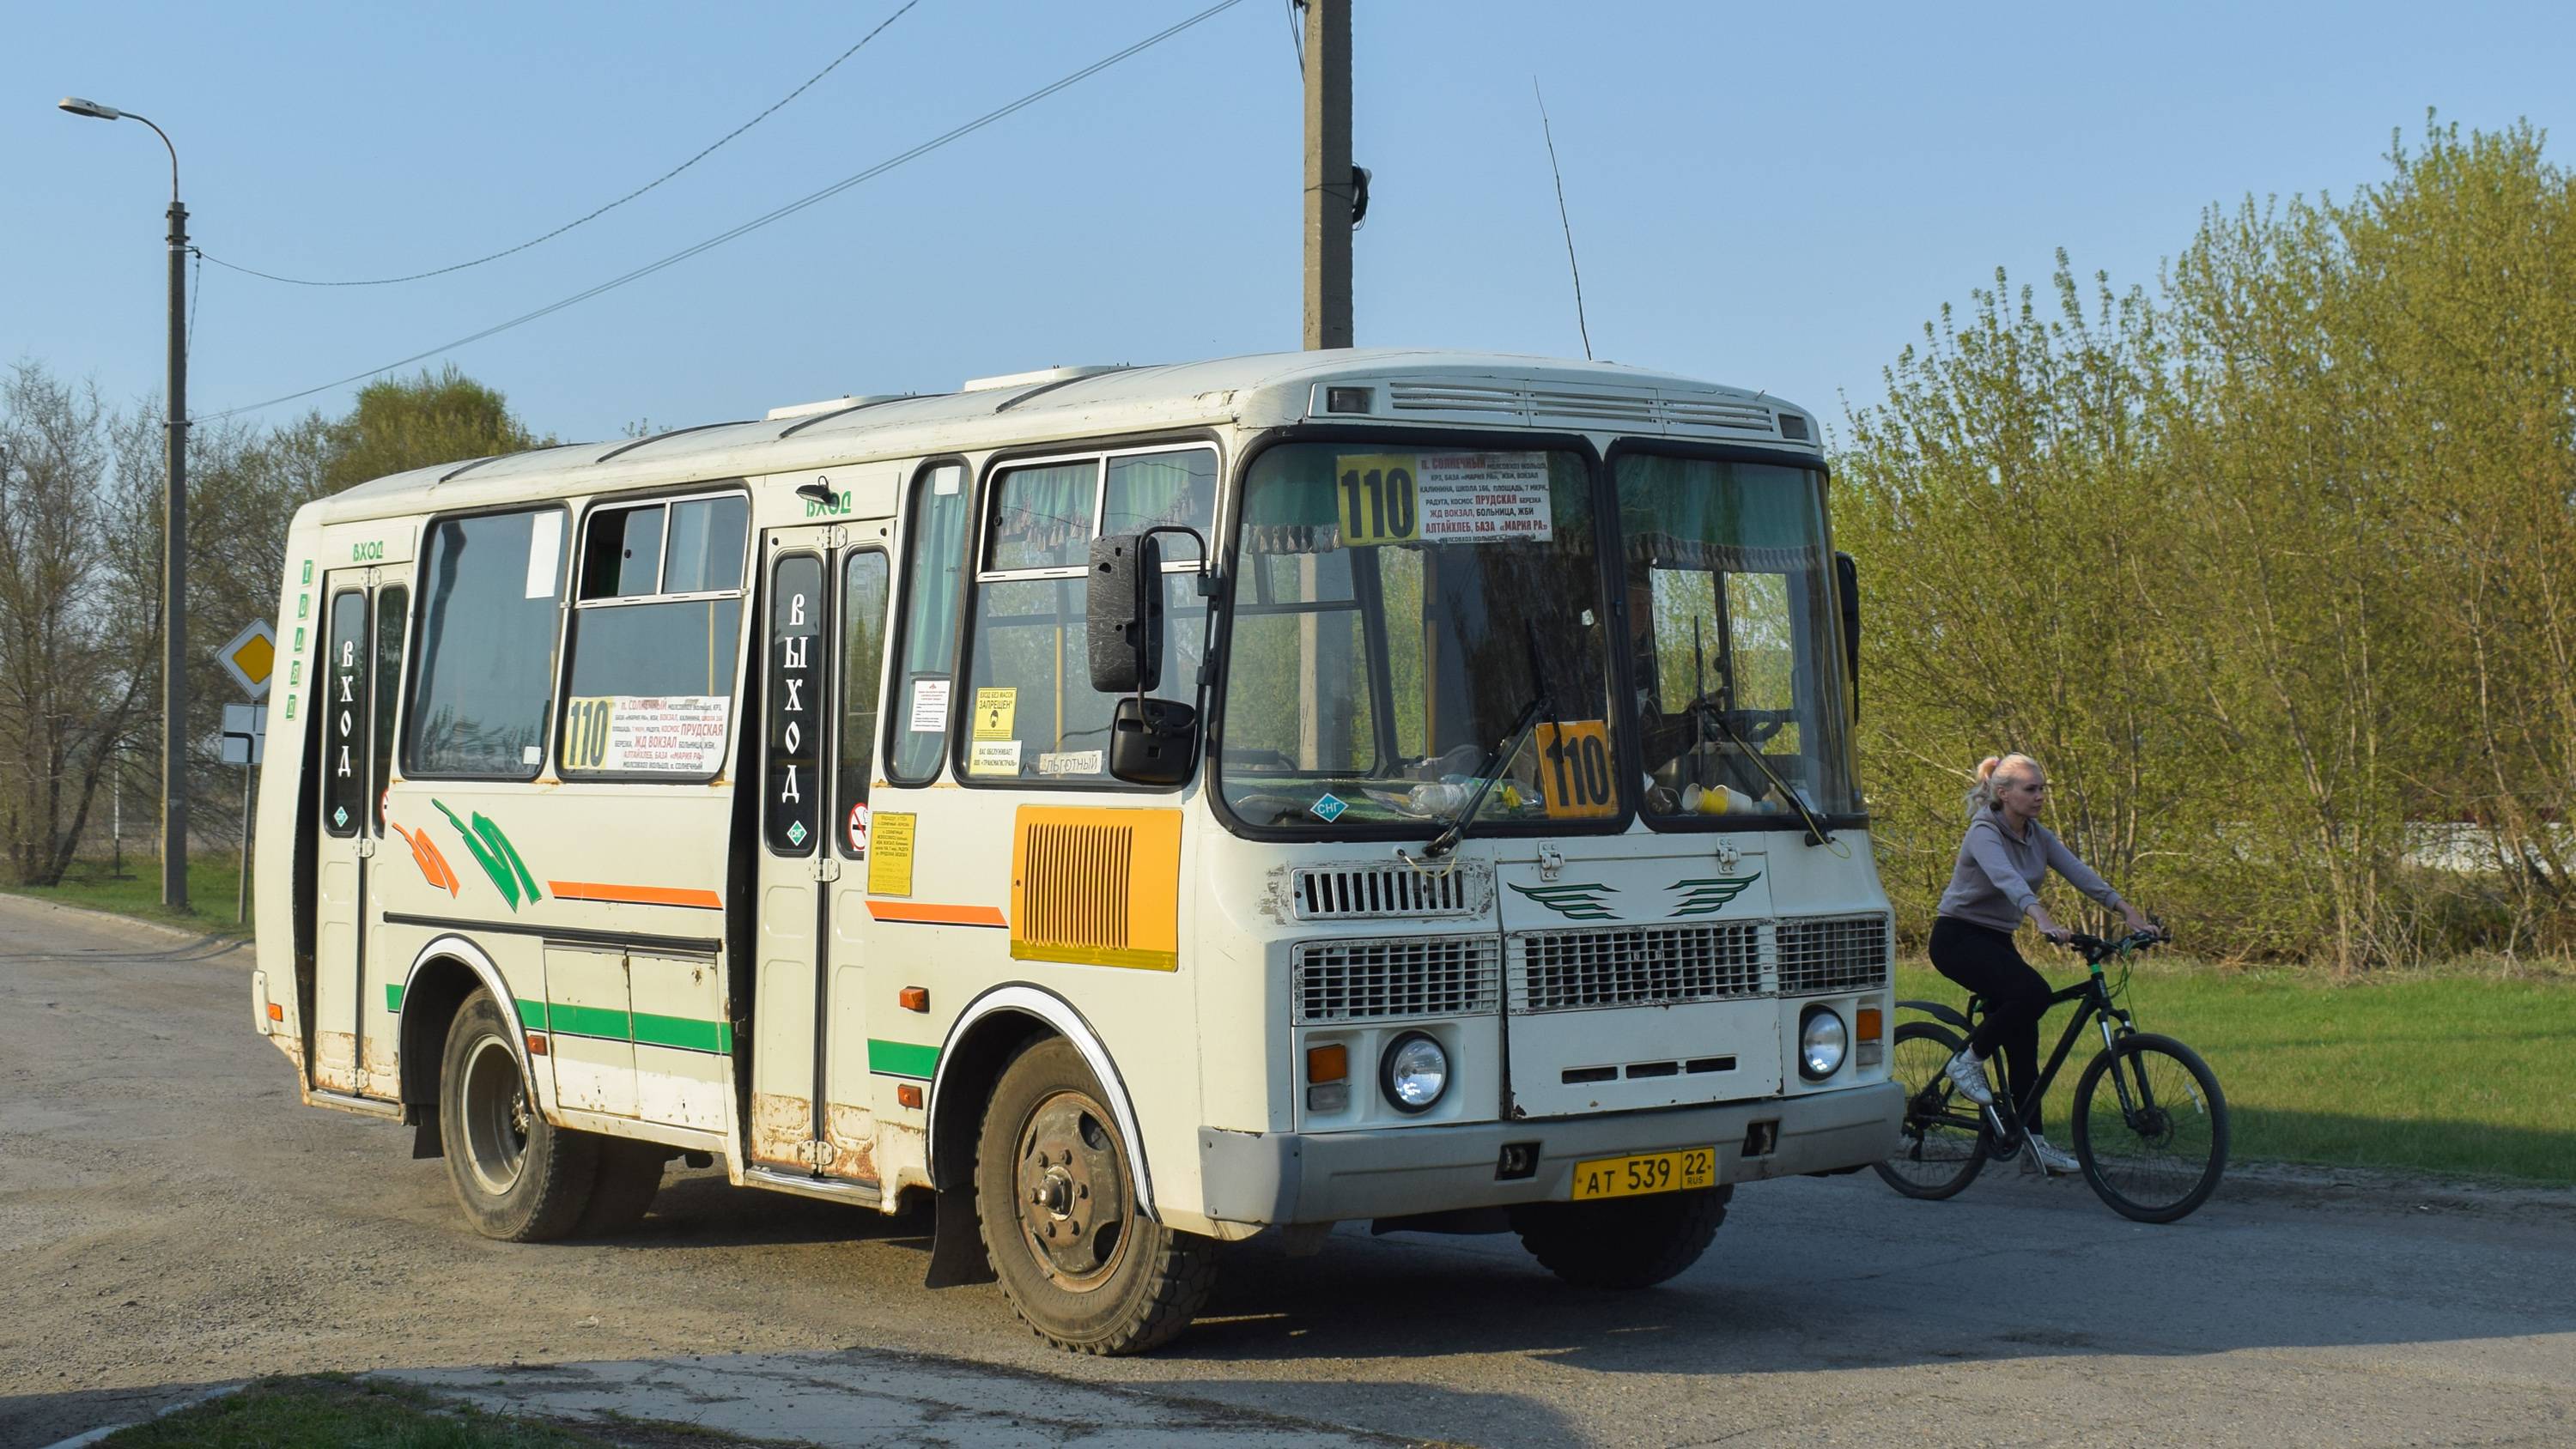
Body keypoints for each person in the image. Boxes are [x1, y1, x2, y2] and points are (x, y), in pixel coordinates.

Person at [1932, 753, 2155, 1174]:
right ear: (2004, 793)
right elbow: (2005, 878)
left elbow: (2080, 872)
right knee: (2032, 993)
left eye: (2042, 789)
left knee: (2024, 1039)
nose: (2039, 797)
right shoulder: (1983, 830)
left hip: (1996, 940)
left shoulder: (2038, 835)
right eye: (2031, 789)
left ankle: (2032, 1143)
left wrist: (2127, 911)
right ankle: (1967, 1062)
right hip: (1958, 938)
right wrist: (2042, 918)